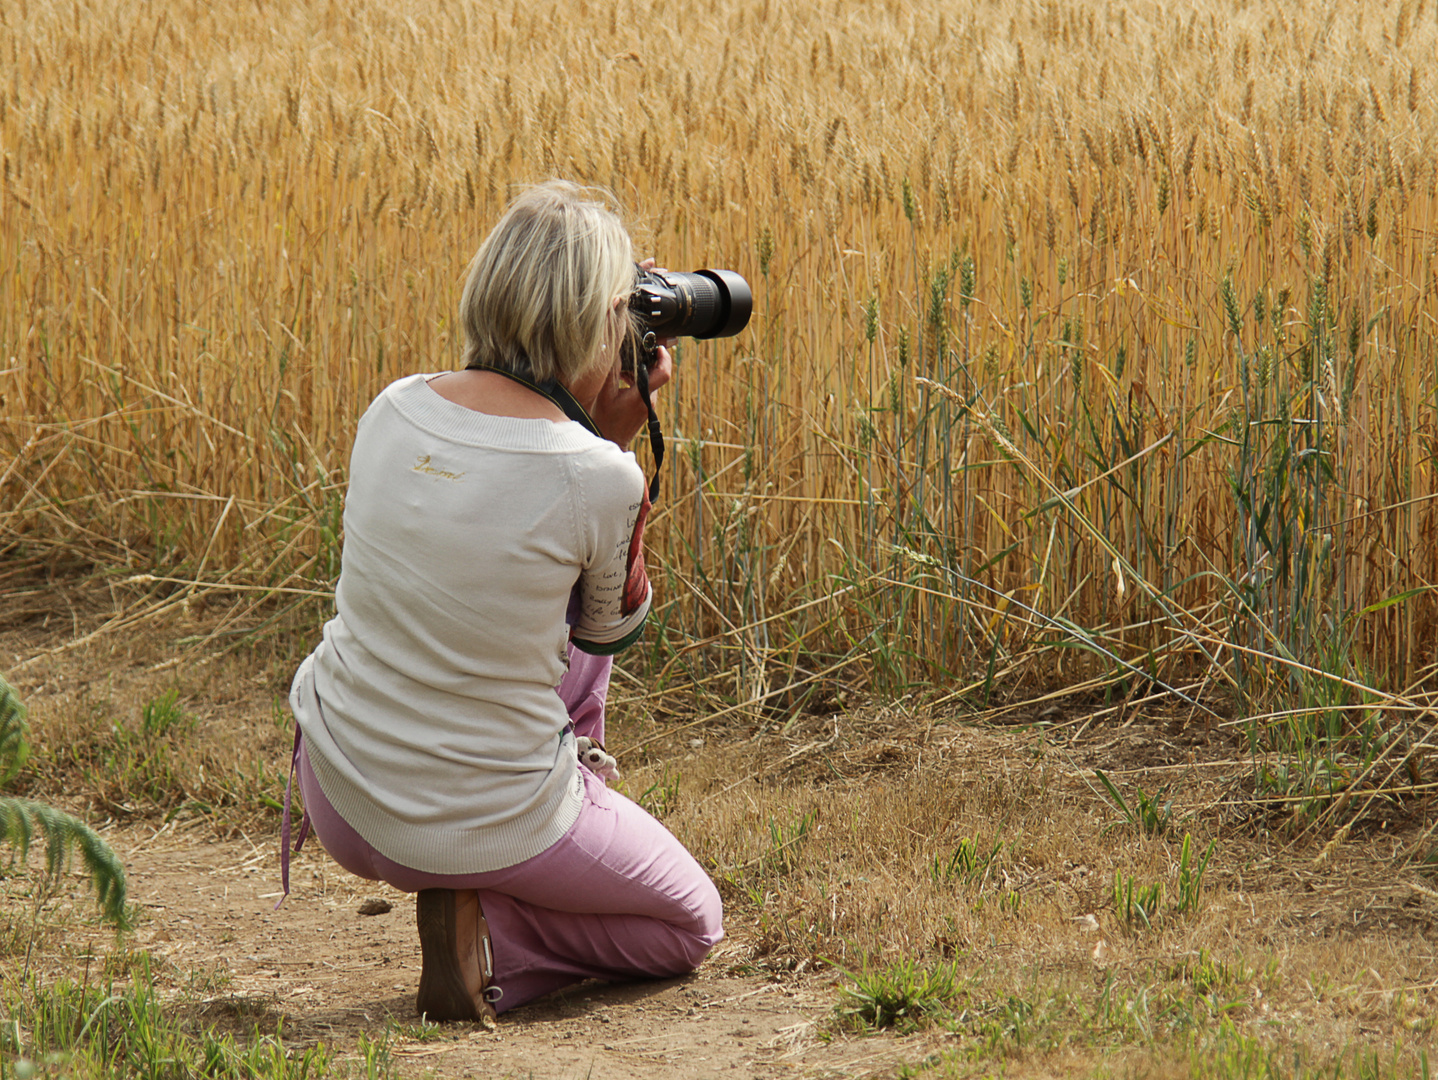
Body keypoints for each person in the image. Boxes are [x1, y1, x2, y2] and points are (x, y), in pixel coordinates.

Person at [284, 180, 724, 1024]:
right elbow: (608, 629)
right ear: (605, 322)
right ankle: (491, 935)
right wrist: (618, 443)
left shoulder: (393, 407)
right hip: (478, 822)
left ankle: (532, 827)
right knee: (690, 924)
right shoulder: (596, 473)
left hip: (338, 792)